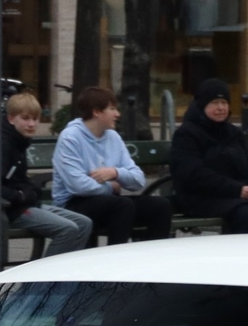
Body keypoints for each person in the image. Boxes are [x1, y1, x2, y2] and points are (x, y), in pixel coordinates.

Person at [170, 77, 248, 234]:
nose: (221, 108)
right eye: (214, 103)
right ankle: (240, 257)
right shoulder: (187, 134)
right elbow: (193, 174)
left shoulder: (234, 133)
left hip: (240, 193)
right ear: (202, 106)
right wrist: (236, 189)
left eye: (224, 103)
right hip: (203, 197)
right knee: (245, 213)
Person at [51, 87, 171, 246]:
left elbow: (138, 179)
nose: (117, 114)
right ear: (96, 112)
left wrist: (115, 173)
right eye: (112, 109)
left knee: (160, 206)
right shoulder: (70, 137)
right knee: (122, 206)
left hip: (110, 204)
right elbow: (78, 186)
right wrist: (110, 187)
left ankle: (151, 260)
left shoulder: (113, 137)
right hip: (73, 205)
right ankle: (116, 262)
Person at [1, 92, 89, 257]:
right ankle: (44, 278)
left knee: (84, 223)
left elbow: (19, 178)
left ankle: (68, 274)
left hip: (27, 203)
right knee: (67, 229)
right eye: (25, 118)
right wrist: (20, 195)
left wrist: (29, 191)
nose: (32, 124)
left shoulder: (19, 141)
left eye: (35, 119)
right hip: (13, 209)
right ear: (11, 119)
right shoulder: (5, 144)